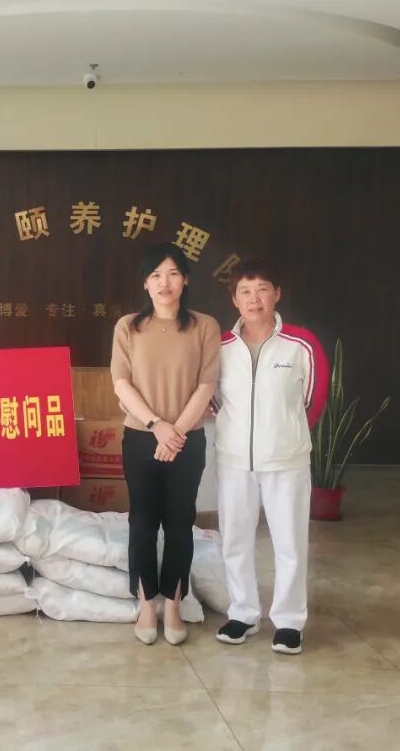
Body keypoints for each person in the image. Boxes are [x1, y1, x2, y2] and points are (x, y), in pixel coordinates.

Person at [213, 257, 330, 655]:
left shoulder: (301, 345)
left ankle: (289, 621)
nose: (254, 298)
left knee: (290, 543)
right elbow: (213, 399)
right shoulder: (220, 347)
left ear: (277, 294)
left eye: (262, 289)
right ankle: (243, 613)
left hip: (286, 461)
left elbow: (314, 400)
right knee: (235, 539)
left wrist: (285, 435)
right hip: (233, 461)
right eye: (245, 291)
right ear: (234, 299)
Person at [110, 242, 220, 645]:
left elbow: (206, 384)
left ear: (185, 279)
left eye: (173, 273)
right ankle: (146, 605)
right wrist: (157, 425)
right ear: (145, 283)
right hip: (141, 438)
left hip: (187, 441)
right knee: (141, 522)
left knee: (179, 523)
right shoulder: (128, 327)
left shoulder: (204, 326)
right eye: (155, 275)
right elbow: (121, 382)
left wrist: (176, 434)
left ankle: (173, 605)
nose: (164, 282)